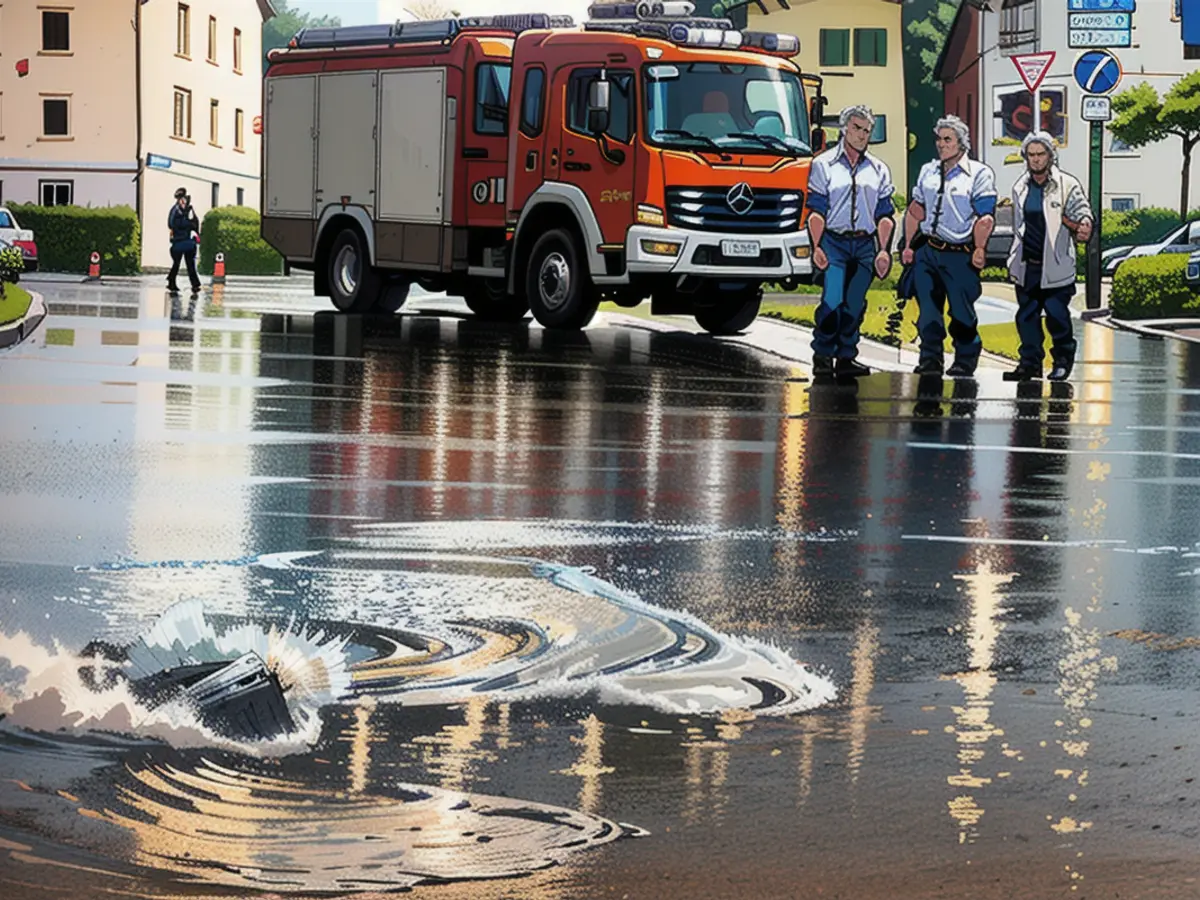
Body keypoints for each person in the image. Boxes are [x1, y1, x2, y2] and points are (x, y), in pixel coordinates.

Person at [901, 116, 997, 377]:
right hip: (928, 250)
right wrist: (908, 245)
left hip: (959, 253)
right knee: (928, 312)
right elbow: (915, 209)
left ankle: (965, 359)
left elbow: (985, 216)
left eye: (947, 139)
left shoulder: (979, 173)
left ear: (961, 144)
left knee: (961, 311)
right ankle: (930, 359)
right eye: (939, 139)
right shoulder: (928, 171)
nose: (941, 145)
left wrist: (980, 248)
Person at [805, 104, 896, 378]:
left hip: (865, 243)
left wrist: (884, 250)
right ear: (845, 129)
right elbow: (817, 209)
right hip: (834, 241)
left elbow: (885, 214)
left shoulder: (879, 169)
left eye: (867, 131)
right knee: (832, 301)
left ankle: (846, 356)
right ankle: (822, 355)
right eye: (856, 128)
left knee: (855, 304)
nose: (861, 135)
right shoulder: (823, 165)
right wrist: (817, 246)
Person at [1004, 131, 1093, 382]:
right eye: (1031, 155)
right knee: (1026, 317)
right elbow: (1018, 226)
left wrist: (1084, 223)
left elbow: (1081, 210)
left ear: (1050, 156)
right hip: (1028, 263)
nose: (1035, 160)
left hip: (1056, 264)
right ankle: (1029, 363)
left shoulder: (1067, 184)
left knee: (1057, 316)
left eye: (1040, 154)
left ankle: (1062, 361)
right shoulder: (1020, 187)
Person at [167, 187, 201, 294]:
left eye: (184, 199)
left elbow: (195, 222)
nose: (183, 201)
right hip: (179, 241)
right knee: (178, 263)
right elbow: (172, 224)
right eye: (181, 199)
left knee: (189, 264)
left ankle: (194, 284)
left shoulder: (187, 210)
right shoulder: (176, 210)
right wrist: (187, 224)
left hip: (186, 241)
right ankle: (172, 281)